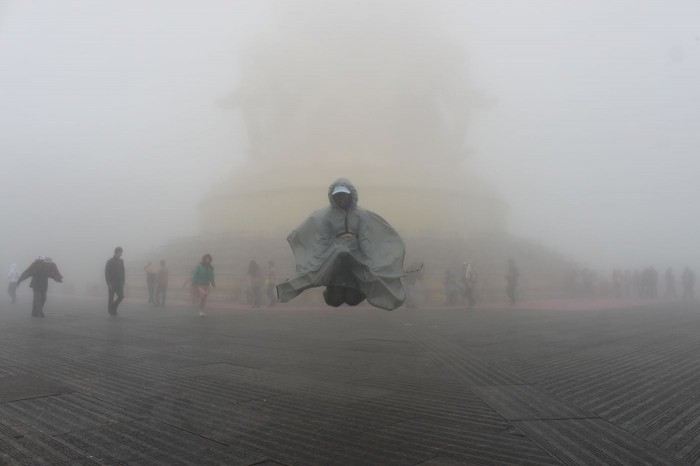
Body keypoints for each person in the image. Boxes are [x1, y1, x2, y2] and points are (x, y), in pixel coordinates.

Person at [276, 178, 406, 310]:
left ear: (350, 195)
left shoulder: (361, 215)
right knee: (334, 300)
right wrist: (315, 265)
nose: (341, 198)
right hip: (336, 257)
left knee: (352, 300)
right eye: (337, 196)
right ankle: (330, 290)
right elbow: (323, 241)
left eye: (344, 195)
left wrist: (369, 262)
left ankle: (359, 287)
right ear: (333, 197)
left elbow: (364, 240)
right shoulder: (327, 216)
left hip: (355, 258)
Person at [105, 247, 125, 316]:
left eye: (121, 252)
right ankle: (111, 311)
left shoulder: (121, 261)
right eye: (119, 252)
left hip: (119, 283)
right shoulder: (110, 261)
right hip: (112, 282)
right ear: (116, 252)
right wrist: (108, 283)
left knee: (121, 296)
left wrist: (123, 281)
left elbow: (123, 272)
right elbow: (106, 272)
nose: (121, 253)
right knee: (111, 298)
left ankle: (113, 307)